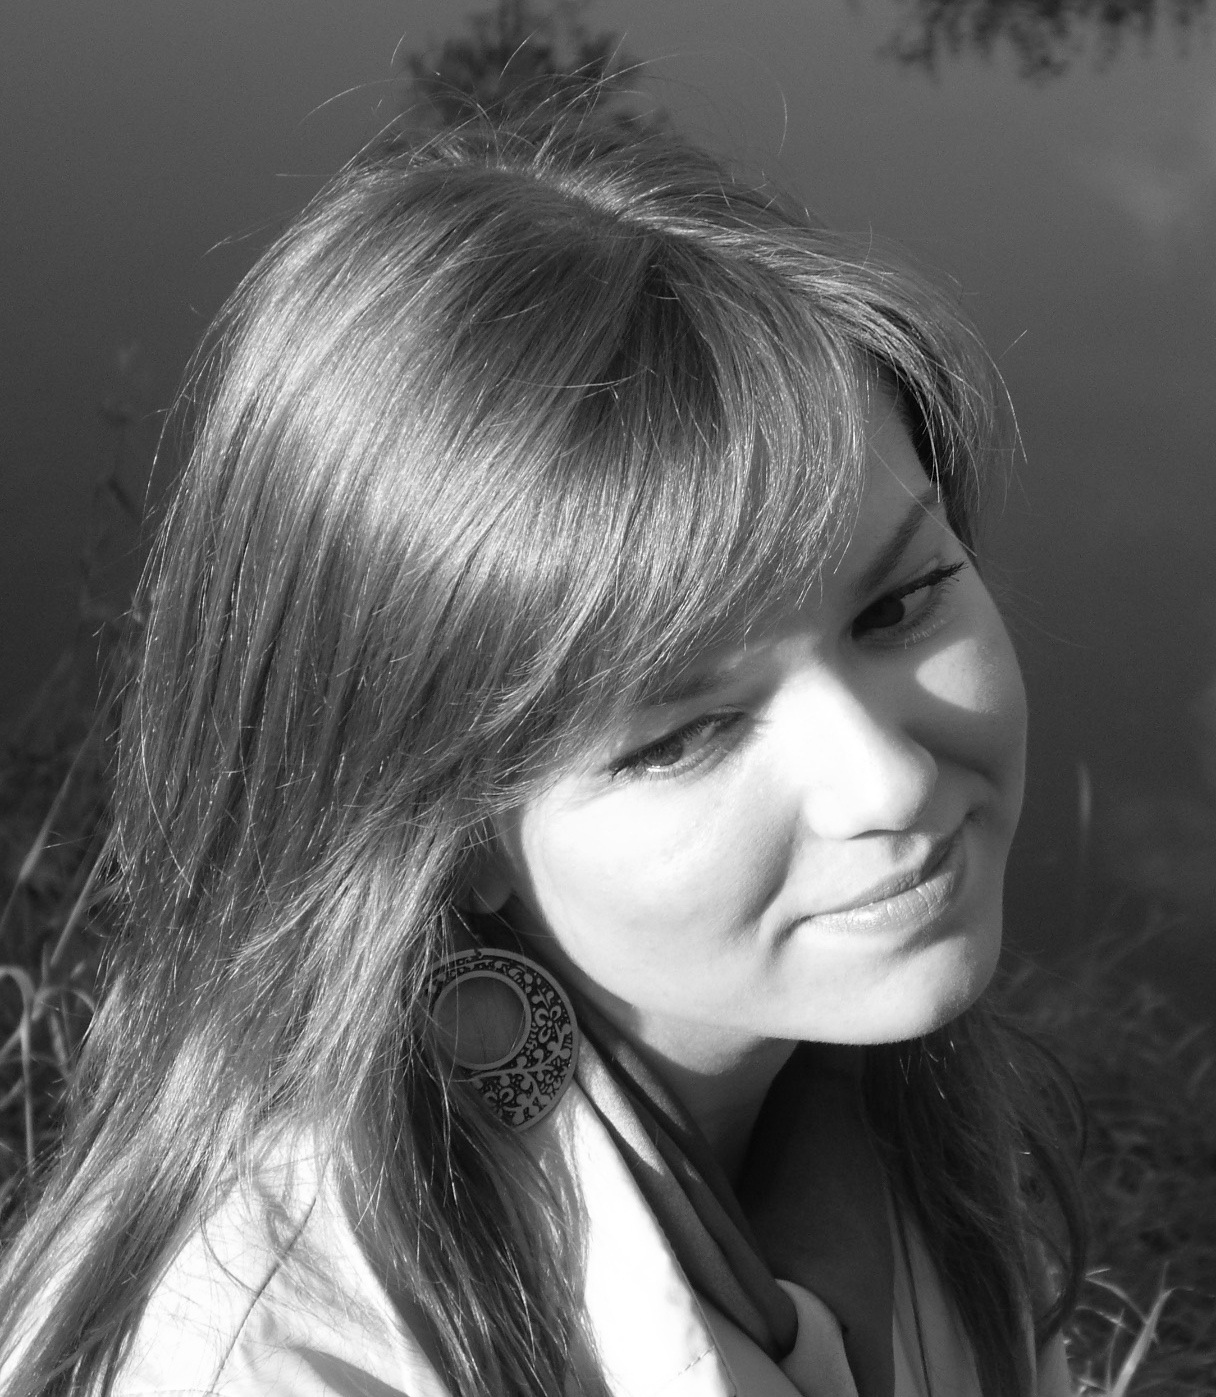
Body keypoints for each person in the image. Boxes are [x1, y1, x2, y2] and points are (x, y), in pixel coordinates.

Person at [0, 113, 1084, 1397]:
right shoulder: (271, 1356)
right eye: (681, 734)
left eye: (898, 605)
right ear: (447, 837)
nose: (888, 779)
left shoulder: (880, 1110)